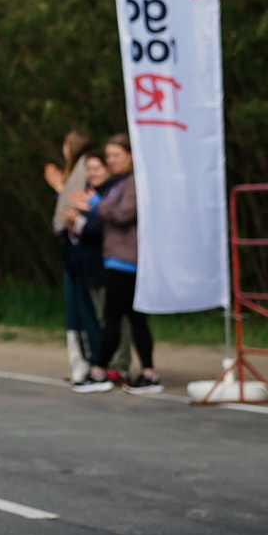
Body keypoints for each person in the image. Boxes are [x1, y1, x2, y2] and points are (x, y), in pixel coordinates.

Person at [75, 135, 161, 393]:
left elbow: (123, 214)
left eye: (116, 155)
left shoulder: (134, 183)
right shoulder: (119, 183)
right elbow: (109, 214)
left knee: (114, 317)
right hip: (118, 258)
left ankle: (100, 370)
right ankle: (147, 372)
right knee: (134, 318)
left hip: (127, 260)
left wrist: (94, 204)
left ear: (131, 156)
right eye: (109, 156)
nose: (111, 160)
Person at [44, 130, 97, 382]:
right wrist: (60, 189)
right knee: (75, 310)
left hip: (82, 252)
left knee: (85, 309)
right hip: (72, 252)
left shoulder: (85, 169)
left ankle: (90, 363)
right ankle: (80, 362)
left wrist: (60, 190)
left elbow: (74, 206)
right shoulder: (77, 173)